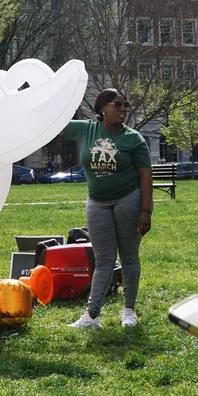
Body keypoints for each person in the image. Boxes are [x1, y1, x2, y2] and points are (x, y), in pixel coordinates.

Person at [60, 89, 152, 329]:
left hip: (128, 200)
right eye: (118, 104)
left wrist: (146, 211)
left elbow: (145, 176)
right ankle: (92, 316)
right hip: (97, 202)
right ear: (103, 108)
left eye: (126, 105)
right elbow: (54, 125)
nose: (123, 108)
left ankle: (129, 311)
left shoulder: (134, 139)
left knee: (129, 257)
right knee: (103, 261)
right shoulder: (85, 129)